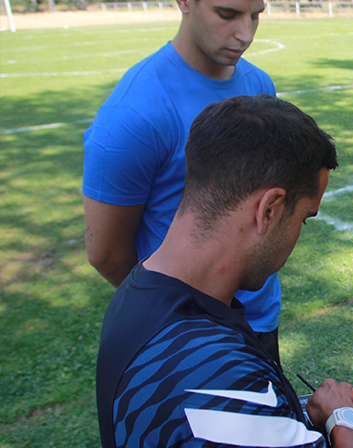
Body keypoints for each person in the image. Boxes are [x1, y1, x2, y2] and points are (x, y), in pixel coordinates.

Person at [96, 95, 353, 448]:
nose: (297, 237)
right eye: (303, 219)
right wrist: (348, 422)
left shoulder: (138, 291)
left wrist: (305, 424)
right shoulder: (218, 373)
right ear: (270, 210)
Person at [82, 0, 284, 363]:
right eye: (227, 14)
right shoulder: (133, 113)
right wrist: (181, 311)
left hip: (259, 321)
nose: (246, 34)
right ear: (185, 2)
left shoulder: (259, 85)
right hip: (187, 334)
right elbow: (107, 255)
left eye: (256, 15)